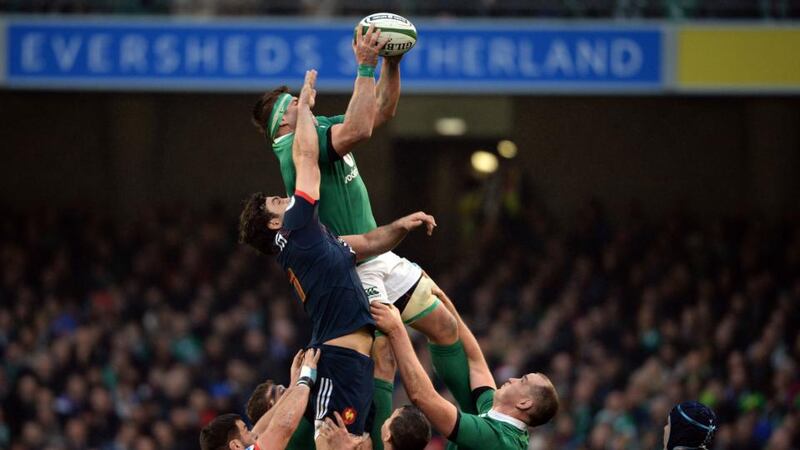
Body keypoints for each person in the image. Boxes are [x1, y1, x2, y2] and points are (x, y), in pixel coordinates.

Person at [239, 69, 437, 439]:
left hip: (349, 358)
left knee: (355, 440)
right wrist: (316, 98)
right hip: (339, 359)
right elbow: (308, 163)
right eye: (278, 200)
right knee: (336, 441)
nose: (287, 196)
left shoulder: (312, 238)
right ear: (272, 224)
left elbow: (363, 242)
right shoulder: (297, 229)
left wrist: (400, 226)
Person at [250, 24, 460, 364]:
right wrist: (365, 67)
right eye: (294, 104)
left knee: (445, 327)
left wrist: (391, 64)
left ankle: (481, 411)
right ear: (282, 123)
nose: (305, 102)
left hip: (376, 252)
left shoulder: (313, 128)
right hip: (354, 266)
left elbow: (379, 112)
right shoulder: (292, 145)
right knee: (384, 359)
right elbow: (359, 130)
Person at [370, 289, 560, 450]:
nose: (513, 379)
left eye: (523, 380)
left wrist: (397, 330)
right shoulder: (499, 414)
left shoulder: (499, 442)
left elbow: (423, 397)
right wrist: (447, 305)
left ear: (525, 403)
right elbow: (477, 364)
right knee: (384, 358)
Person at [199, 349, 320, 450]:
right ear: (236, 445)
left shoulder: (245, 442)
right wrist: (306, 377)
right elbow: (283, 426)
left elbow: (258, 429)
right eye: (246, 430)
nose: (254, 434)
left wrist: (293, 386)